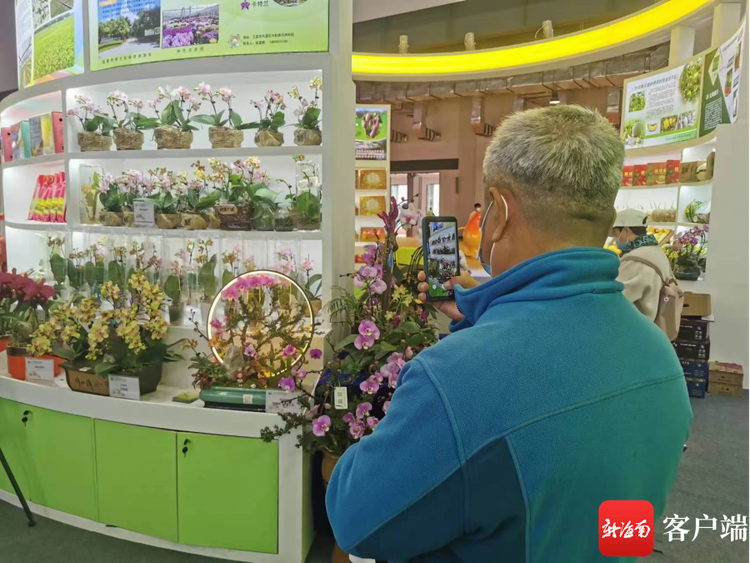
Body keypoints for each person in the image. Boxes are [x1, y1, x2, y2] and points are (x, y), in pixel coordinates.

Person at [326, 105, 692, 562]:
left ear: (497, 211)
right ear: (606, 215)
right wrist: (484, 314)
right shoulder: (659, 354)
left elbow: (357, 522)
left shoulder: (455, 375)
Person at [612, 209, 674, 321]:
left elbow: (617, 299)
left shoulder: (636, 259)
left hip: (637, 328)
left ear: (626, 230)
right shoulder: (656, 250)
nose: (616, 240)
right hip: (653, 327)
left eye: (616, 235)